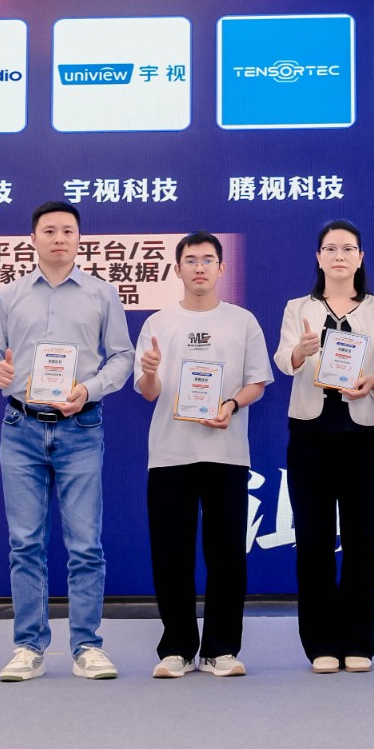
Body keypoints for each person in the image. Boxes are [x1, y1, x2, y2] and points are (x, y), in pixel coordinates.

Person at [0, 201, 134, 682]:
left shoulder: (102, 294)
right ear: (33, 238)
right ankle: (29, 646)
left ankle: (87, 645)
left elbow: (122, 357)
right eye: (49, 231)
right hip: (20, 426)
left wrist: (90, 388)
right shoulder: (10, 294)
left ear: (79, 239)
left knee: (85, 544)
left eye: (67, 230)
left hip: (80, 426)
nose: (59, 238)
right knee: (25, 543)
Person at [134, 231, 272, 678]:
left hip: (226, 452)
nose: (199, 267)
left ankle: (220, 649)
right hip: (170, 453)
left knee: (226, 553)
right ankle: (176, 648)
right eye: (190, 260)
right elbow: (148, 391)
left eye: (208, 260)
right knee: (171, 554)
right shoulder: (157, 323)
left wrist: (231, 404)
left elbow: (257, 382)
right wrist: (150, 372)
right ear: (177, 269)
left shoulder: (242, 321)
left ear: (221, 268)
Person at [274, 220, 374, 673]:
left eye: (348, 248)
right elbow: (283, 360)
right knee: (312, 542)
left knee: (360, 543)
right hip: (309, 436)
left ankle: (358, 641)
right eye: (330, 249)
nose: (339, 256)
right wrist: (300, 351)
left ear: (360, 257)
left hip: (364, 437)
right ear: (318, 257)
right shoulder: (298, 307)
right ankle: (320, 643)